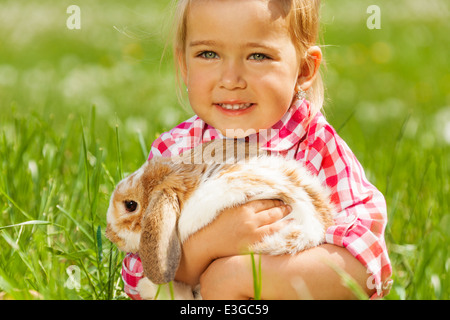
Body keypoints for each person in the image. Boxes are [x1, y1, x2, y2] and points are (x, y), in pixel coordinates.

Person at [120, 0, 392, 299]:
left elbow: (366, 269)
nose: (231, 79)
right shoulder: (174, 151)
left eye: (258, 56)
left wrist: (240, 277)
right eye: (208, 54)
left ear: (304, 69)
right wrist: (208, 243)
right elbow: (138, 276)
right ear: (184, 64)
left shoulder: (314, 144)